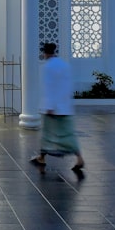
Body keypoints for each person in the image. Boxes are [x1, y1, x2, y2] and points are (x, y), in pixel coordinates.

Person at [30, 43, 84, 172]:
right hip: (65, 106)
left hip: (53, 108)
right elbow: (68, 85)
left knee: (48, 135)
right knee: (67, 134)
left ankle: (79, 159)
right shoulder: (64, 65)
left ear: (45, 53)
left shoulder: (48, 67)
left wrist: (50, 106)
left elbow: (49, 88)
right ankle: (42, 157)